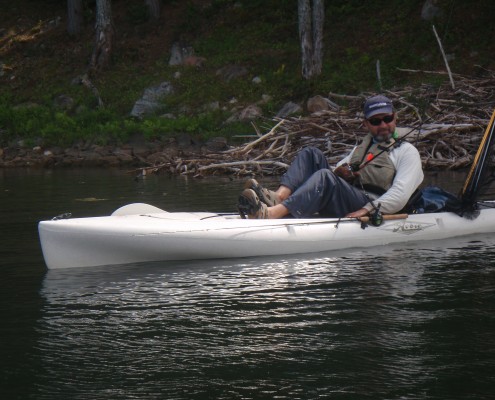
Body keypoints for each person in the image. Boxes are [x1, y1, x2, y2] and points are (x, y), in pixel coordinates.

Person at [237, 95, 424, 219]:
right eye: (376, 121)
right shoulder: (363, 147)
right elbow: (337, 172)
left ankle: (271, 214)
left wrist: (366, 210)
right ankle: (278, 197)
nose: (383, 125)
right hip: (348, 196)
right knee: (311, 154)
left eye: (387, 119)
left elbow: (400, 196)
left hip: (373, 203)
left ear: (395, 118)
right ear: (366, 124)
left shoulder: (407, 152)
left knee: (325, 177)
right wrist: (341, 172)